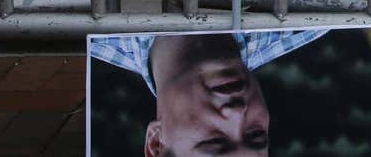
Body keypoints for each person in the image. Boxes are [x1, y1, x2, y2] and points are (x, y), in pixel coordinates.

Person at [90, 28, 326, 156]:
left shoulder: (71, 27)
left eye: (214, 141)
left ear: (156, 144)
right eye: (256, 135)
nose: (236, 113)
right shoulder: (319, 16)